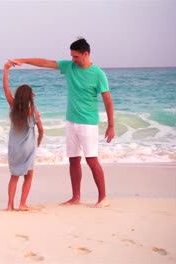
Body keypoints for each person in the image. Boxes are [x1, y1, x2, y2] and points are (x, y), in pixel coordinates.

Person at [10, 37, 114, 208]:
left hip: (88, 123)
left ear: (86, 54)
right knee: (73, 160)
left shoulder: (98, 74)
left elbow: (108, 100)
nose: (73, 60)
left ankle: (103, 198)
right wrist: (23, 60)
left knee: (91, 160)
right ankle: (75, 197)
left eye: (76, 57)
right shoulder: (69, 67)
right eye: (71, 56)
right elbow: (45, 63)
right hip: (71, 122)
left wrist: (111, 125)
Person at [3, 60, 44, 211]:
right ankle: (22, 204)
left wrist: (6, 70)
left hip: (14, 148)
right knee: (28, 176)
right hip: (28, 148)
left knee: (14, 176)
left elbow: (6, 87)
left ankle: (9, 205)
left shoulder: (13, 107)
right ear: (30, 96)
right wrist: (38, 140)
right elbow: (41, 129)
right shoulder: (33, 111)